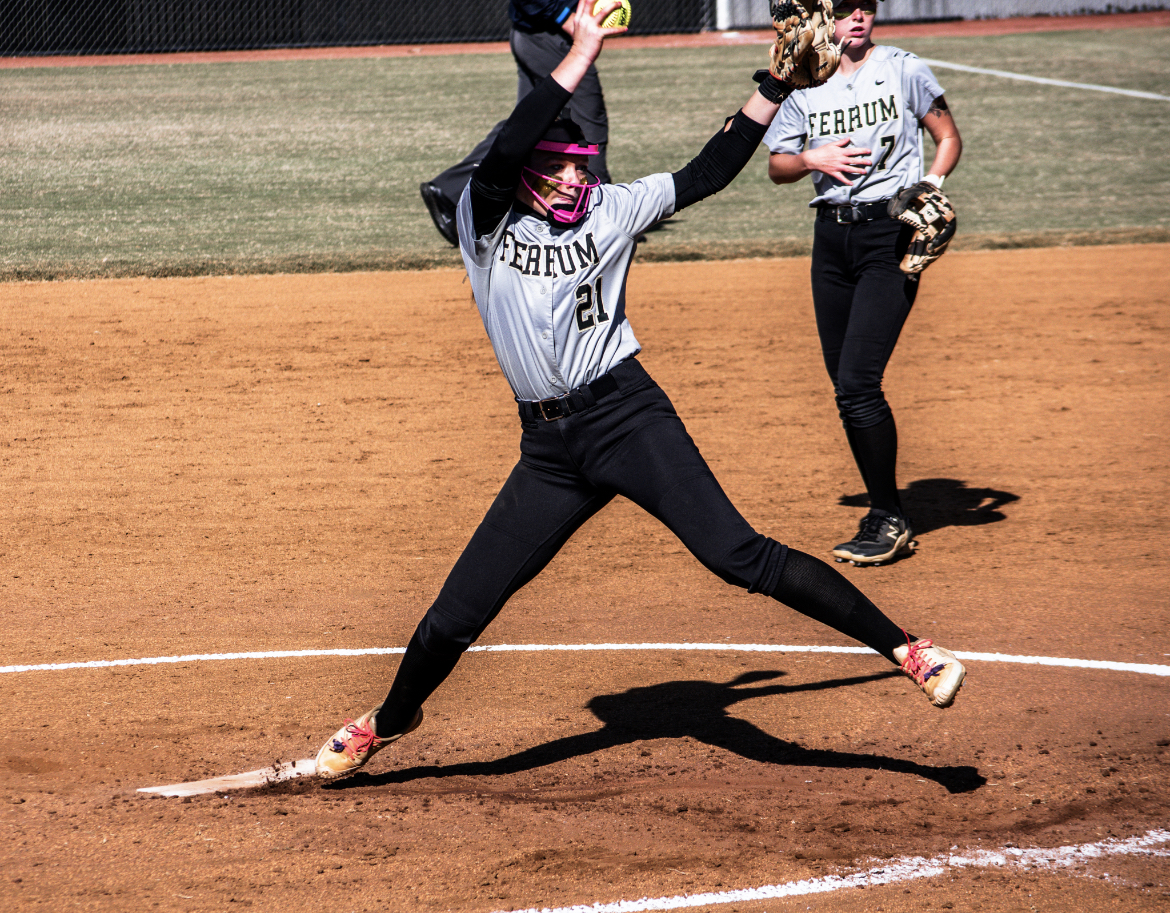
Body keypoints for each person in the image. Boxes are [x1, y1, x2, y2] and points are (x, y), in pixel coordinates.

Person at [315, 0, 966, 781]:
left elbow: (709, 168)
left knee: (738, 556)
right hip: (549, 453)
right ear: (521, 174)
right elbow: (520, 132)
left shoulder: (612, 209)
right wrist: (582, 49)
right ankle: (387, 720)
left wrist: (772, 85)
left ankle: (908, 648)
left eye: (581, 161)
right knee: (458, 612)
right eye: (557, 164)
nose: (574, 172)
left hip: (629, 418)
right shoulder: (484, 224)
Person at [764, 0, 962, 566]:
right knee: (845, 388)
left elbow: (947, 137)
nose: (859, 16)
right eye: (845, 8)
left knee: (857, 383)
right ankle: (886, 509)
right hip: (830, 243)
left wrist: (929, 183)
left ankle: (888, 516)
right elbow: (777, 164)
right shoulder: (804, 80)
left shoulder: (903, 67)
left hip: (889, 238)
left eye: (866, 6)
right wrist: (810, 158)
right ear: (821, 18)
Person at [419, 0, 612, 246]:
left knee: (526, 128)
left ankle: (449, 189)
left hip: (535, 32)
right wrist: (564, 16)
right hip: (549, 34)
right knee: (588, 127)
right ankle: (598, 218)